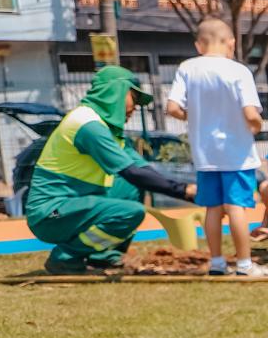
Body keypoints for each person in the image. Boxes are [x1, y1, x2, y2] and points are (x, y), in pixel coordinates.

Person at [24, 66, 195, 275]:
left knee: (133, 188)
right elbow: (132, 172)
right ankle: (66, 257)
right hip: (50, 213)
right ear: (116, 92)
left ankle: (103, 255)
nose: (135, 108)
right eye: (133, 97)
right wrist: (184, 191)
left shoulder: (109, 131)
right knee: (130, 212)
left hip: (74, 204)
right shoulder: (87, 125)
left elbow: (142, 171)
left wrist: (189, 190)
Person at [165, 18, 268, 278]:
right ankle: (245, 264)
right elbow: (249, 111)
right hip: (236, 153)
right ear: (231, 43)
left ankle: (216, 262)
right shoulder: (238, 71)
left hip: (205, 153)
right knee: (236, 207)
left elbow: (172, 108)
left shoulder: (187, 68)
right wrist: (257, 124)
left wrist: (196, 117)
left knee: (212, 208)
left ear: (199, 45)